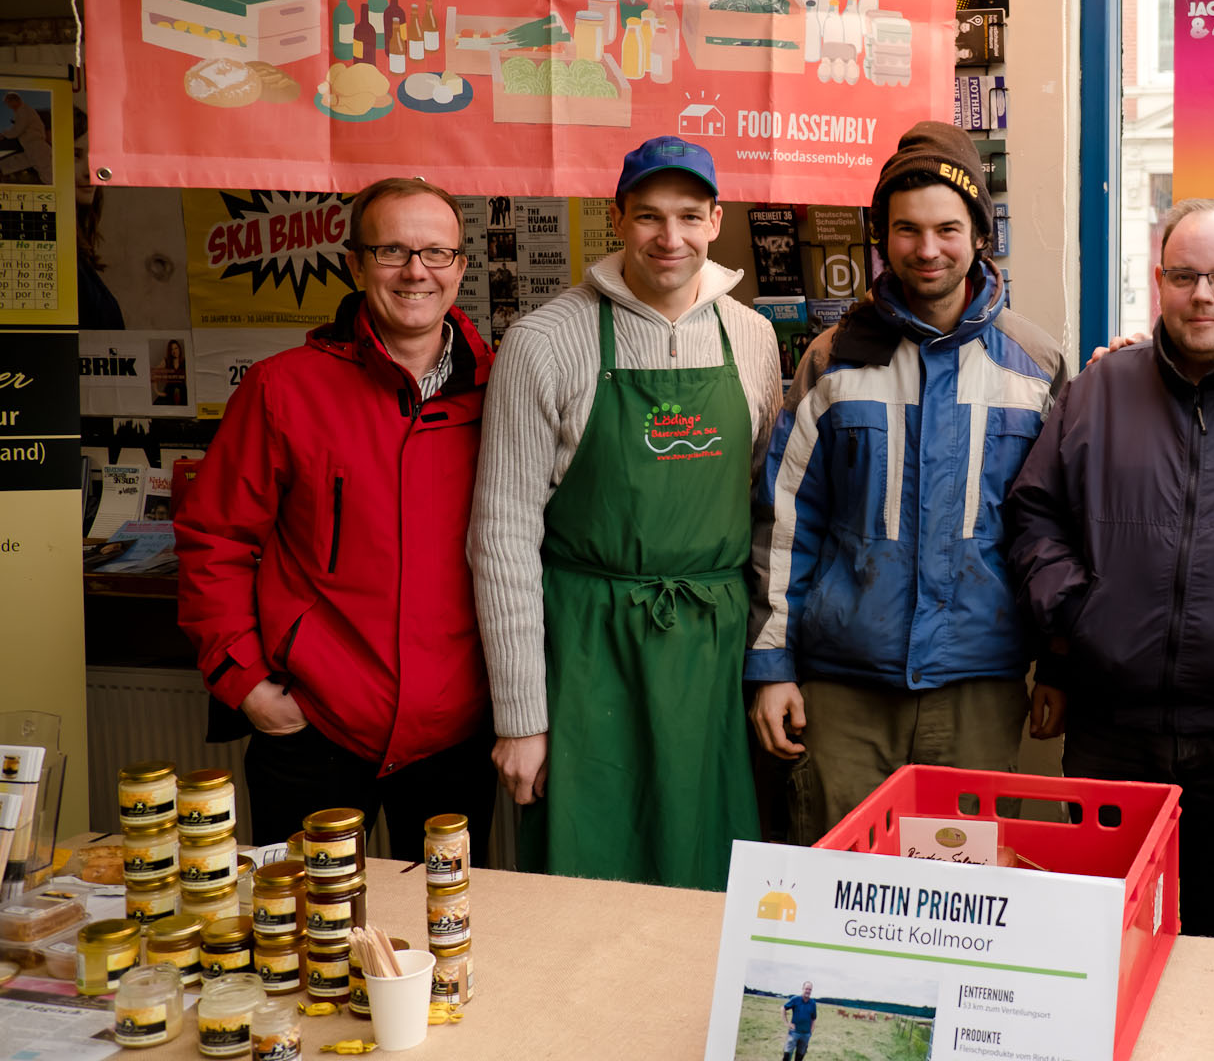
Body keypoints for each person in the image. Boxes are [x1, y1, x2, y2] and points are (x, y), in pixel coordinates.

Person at [1006, 198, 1214, 940]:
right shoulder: (1099, 389)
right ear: (1158, 281)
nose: (1203, 295)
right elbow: (1034, 513)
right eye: (1186, 275)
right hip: (1111, 731)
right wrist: (1075, 615)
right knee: (1106, 938)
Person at [471, 135, 781, 887]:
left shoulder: (753, 337)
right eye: (647, 216)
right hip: (587, 654)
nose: (668, 239)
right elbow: (502, 539)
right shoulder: (544, 341)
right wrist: (522, 718)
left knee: (710, 872)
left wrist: (770, 663)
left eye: (686, 217)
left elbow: (766, 515)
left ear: (715, 219)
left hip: (711, 657)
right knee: (584, 872)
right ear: (617, 219)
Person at [746, 121, 1068, 840]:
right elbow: (784, 521)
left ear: (980, 234)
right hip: (843, 693)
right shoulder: (833, 361)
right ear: (882, 237)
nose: (928, 250)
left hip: (980, 688)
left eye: (948, 229)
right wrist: (771, 667)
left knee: (964, 907)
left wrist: (1058, 667)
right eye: (907, 230)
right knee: (840, 894)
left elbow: (1055, 535)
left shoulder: (1036, 366)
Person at [175, 177, 498, 862]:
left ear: (461, 268)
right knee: (300, 941)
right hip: (313, 729)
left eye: (437, 253)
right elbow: (215, 542)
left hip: (457, 734)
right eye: (393, 251)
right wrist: (249, 686)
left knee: (444, 944)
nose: (417, 272)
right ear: (354, 264)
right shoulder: (284, 388)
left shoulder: (504, 391)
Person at [782, 981, 818, 1061]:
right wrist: (787, 1023)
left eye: (810, 989)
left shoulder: (812, 1003)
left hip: (805, 1035)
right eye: (806, 989)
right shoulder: (796, 999)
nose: (808, 991)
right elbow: (783, 1008)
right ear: (803, 989)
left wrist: (811, 1031)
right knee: (787, 1056)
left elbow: (813, 1018)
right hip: (794, 1033)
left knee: (800, 1057)